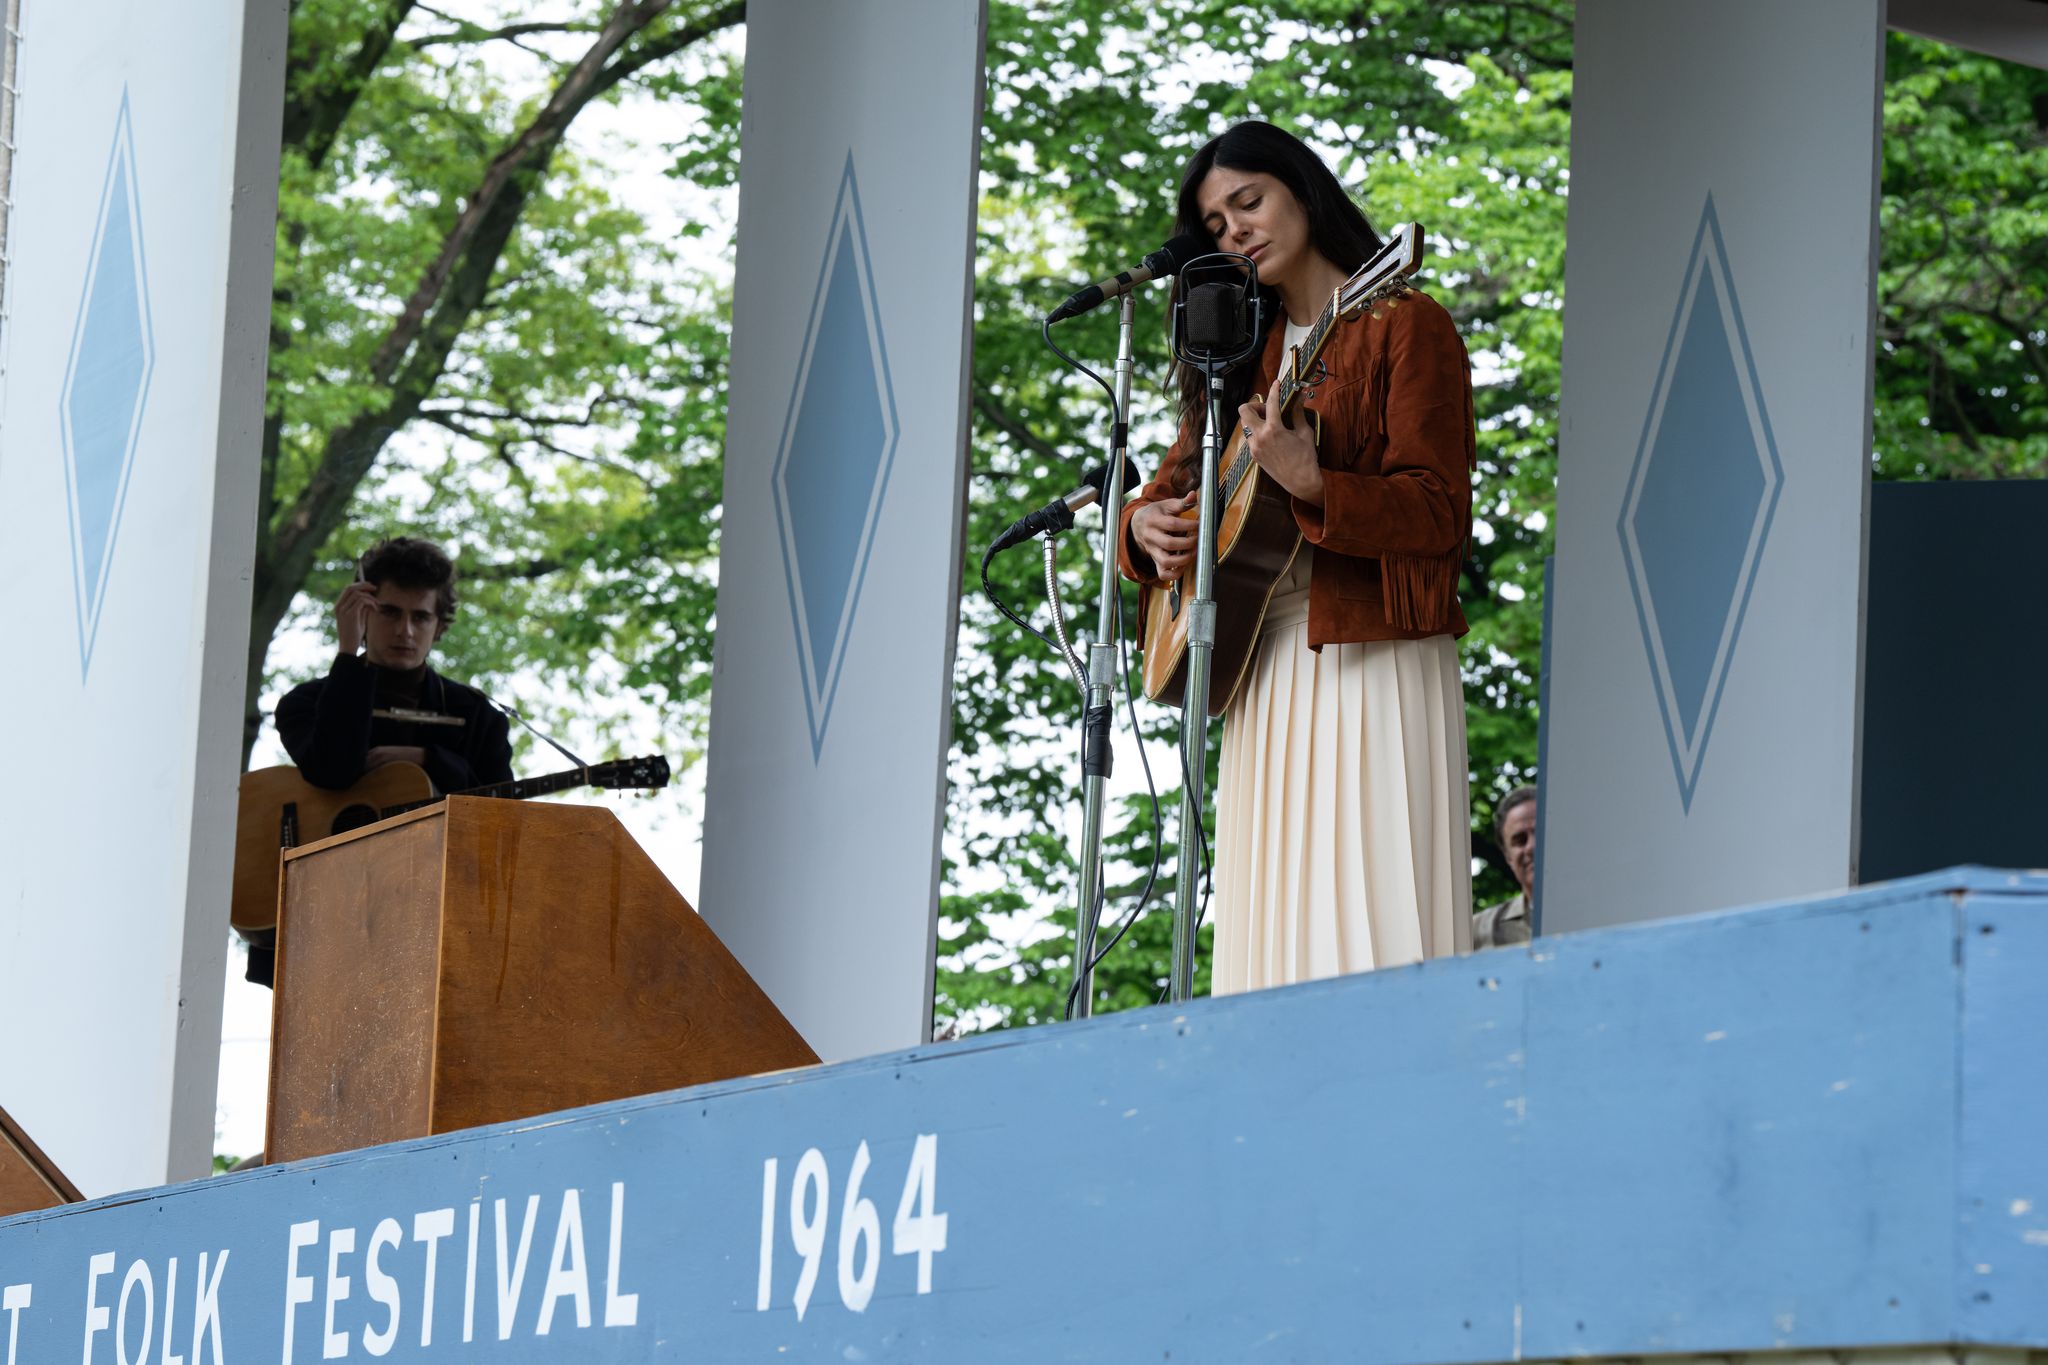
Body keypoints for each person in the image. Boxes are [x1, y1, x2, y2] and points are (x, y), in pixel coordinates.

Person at [1120, 121, 1476, 994]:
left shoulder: (1406, 324)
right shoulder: (1235, 359)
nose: (1234, 230)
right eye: (1213, 224)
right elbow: (1164, 494)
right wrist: (1138, 533)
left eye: (1249, 202)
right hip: (1260, 669)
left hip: (1371, 655)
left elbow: (1440, 513)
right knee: (1268, 934)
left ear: (1303, 194)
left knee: (1369, 928)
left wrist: (1316, 484)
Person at [276, 537, 514, 795]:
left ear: (439, 628)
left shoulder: (480, 718)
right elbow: (332, 771)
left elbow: (501, 813)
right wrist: (347, 653)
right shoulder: (303, 702)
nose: (405, 631)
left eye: (421, 617)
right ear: (362, 613)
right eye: (390, 612)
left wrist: (430, 760)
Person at [1474, 786, 1535, 950]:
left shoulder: (1603, 913)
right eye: (1520, 840)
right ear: (1508, 857)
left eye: (1541, 833)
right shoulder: (1475, 932)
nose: (1531, 846)